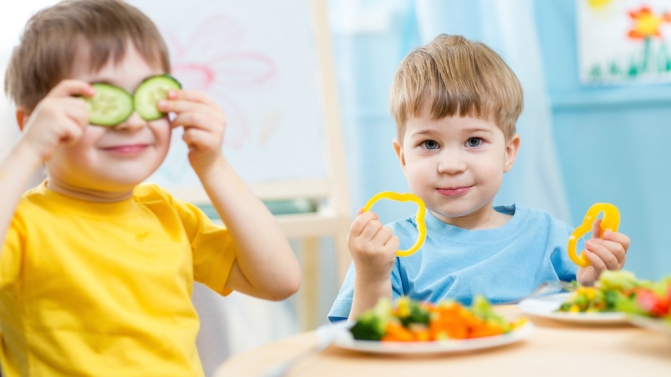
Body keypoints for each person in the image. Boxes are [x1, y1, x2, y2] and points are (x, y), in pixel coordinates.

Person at [0, 0, 301, 375]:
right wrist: (26, 148)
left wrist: (214, 166)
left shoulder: (165, 213)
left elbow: (280, 281)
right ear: (34, 123)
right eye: (99, 101)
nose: (130, 121)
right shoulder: (21, 225)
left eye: (147, 96)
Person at [328, 34, 630, 322]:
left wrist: (597, 284)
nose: (450, 165)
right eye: (429, 144)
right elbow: (359, 349)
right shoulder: (387, 253)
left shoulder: (552, 238)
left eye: (473, 141)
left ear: (508, 153)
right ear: (403, 158)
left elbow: (595, 331)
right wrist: (371, 277)